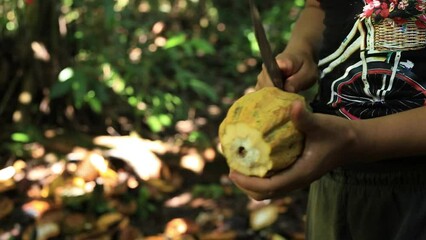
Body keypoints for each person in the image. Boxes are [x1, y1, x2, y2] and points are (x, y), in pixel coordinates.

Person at [228, 0, 426, 239]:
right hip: (332, 174)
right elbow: (318, 7)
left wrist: (354, 139)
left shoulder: (348, 143)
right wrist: (301, 50)